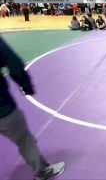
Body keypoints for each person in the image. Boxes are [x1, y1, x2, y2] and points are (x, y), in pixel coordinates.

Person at [0, 37, 66, 180]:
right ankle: (42, 171)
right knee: (25, 140)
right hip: (2, 109)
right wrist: (26, 85)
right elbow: (13, 63)